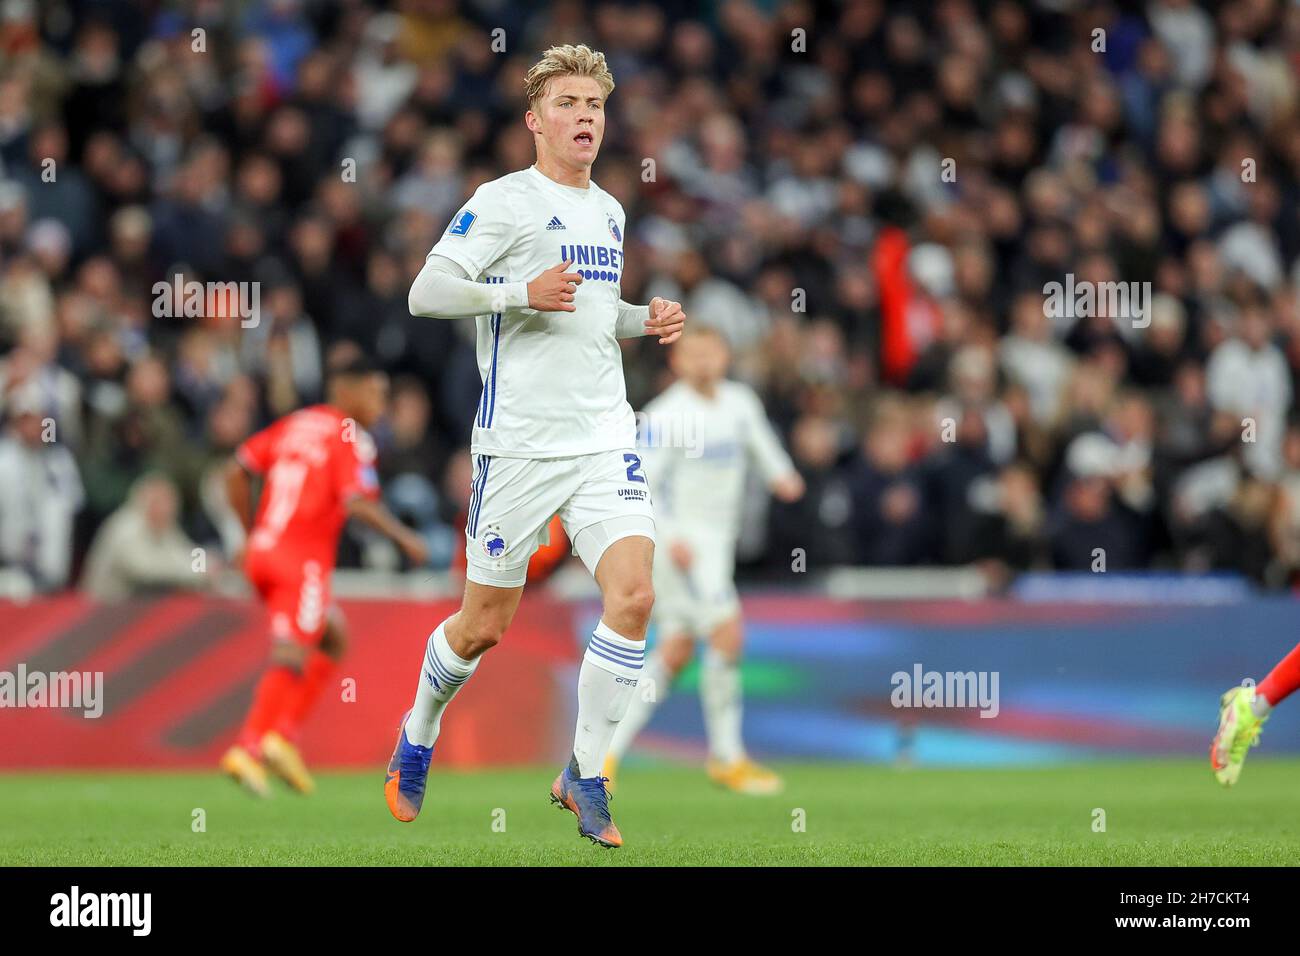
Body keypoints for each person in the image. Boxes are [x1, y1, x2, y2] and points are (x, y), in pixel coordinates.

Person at [390, 44, 685, 848]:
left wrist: (641, 319)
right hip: (518, 447)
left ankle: (586, 773)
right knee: (482, 626)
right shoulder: (503, 202)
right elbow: (425, 293)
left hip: (601, 439)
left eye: (594, 104)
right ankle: (418, 731)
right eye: (568, 104)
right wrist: (517, 291)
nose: (585, 116)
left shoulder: (612, 211)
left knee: (633, 596)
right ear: (534, 120)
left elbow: (592, 310)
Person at [605, 326, 803, 794]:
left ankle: (602, 754)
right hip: (685, 548)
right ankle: (728, 758)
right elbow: (644, 482)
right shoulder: (665, 414)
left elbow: (762, 445)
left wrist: (785, 477)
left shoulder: (740, 403)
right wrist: (669, 535)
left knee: (674, 651)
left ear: (727, 356)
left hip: (719, 542)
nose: (703, 362)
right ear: (676, 362)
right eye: (693, 354)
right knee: (727, 632)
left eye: (712, 353)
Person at [220, 355, 428, 797]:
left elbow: (236, 470)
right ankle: (249, 746)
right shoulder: (352, 437)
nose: (380, 402)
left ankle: (282, 738)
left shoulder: (297, 423)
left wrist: (249, 535)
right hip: (301, 560)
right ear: (345, 391)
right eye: (375, 391)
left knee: (332, 636)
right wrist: (405, 537)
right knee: (292, 651)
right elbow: (357, 503)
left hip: (264, 550)